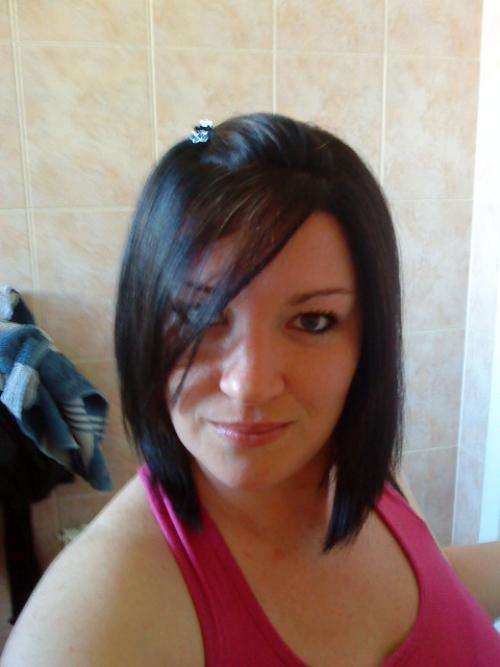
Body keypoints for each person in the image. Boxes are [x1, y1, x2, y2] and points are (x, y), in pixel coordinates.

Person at [2, 113, 500, 667]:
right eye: (199, 316)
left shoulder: (362, 470)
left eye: (312, 321)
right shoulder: (88, 631)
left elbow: (428, 599)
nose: (249, 386)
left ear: (369, 340)